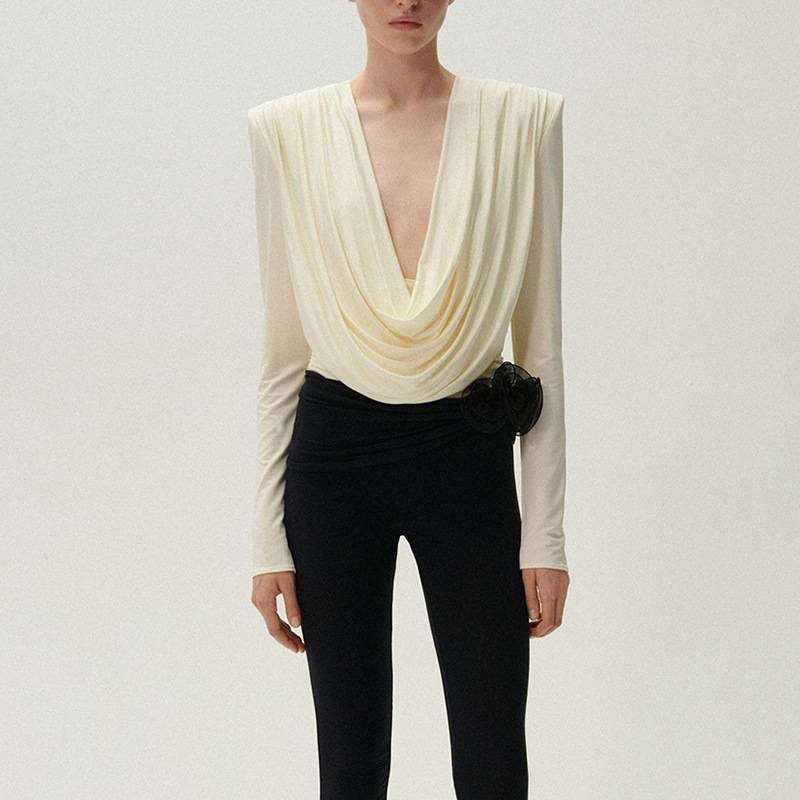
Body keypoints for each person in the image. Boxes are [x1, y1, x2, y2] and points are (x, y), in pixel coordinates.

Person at [246, 2, 570, 797]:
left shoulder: (522, 122)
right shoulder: (287, 130)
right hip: (334, 459)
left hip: (467, 450)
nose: (406, 2)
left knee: (493, 752)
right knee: (349, 755)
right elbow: (283, 354)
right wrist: (265, 541)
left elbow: (539, 348)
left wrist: (545, 536)